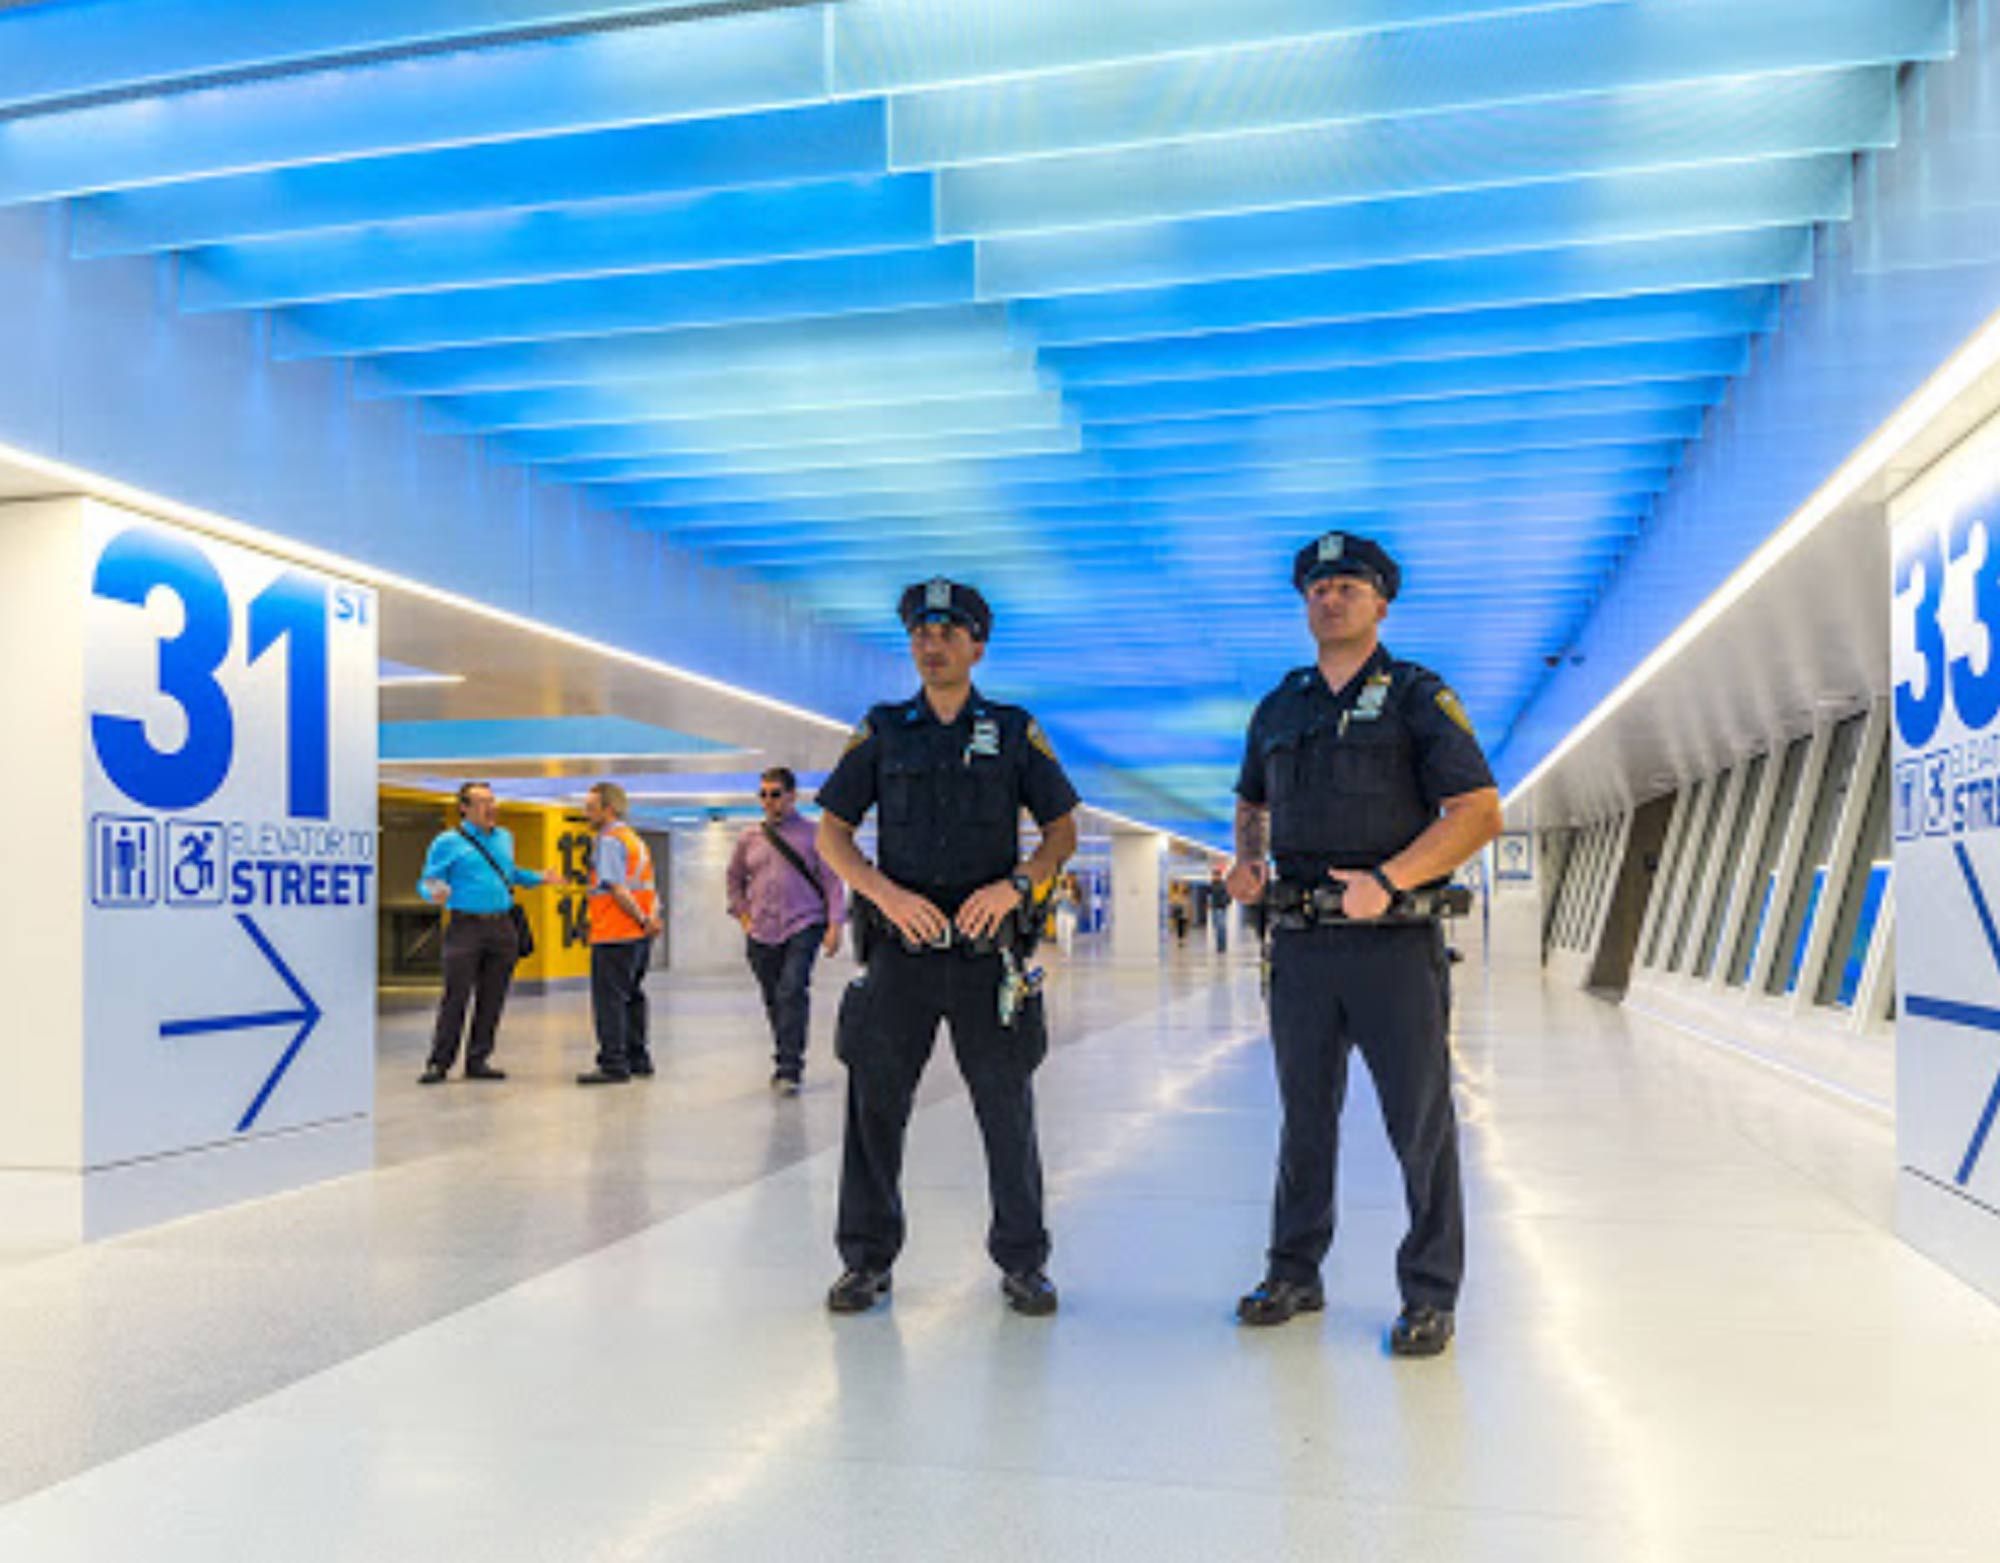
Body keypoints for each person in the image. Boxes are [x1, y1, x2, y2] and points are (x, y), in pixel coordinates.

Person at [1227, 531, 1502, 1356]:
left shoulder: (1418, 695)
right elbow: (1251, 799)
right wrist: (1247, 862)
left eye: (1349, 585)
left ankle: (1429, 1293)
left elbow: (1479, 811)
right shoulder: (1280, 705)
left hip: (1393, 946)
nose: (1330, 596)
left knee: (1418, 1123)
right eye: (1317, 586)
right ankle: (1293, 1271)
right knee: (1303, 1119)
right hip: (1302, 945)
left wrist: (1387, 878)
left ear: (1382, 602)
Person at [815, 577, 1079, 1318]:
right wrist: (882, 893)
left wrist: (1018, 886)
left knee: (1006, 1108)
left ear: (977, 645)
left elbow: (1062, 829)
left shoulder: (1013, 727)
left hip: (983, 952)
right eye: (920, 633)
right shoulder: (883, 728)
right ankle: (865, 1262)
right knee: (874, 1109)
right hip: (900, 949)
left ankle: (1024, 1261)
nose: (931, 644)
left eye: (947, 632)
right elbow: (832, 829)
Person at [417, 781, 554, 1085]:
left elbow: (511, 873)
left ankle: (478, 1059)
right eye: (481, 802)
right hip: (465, 926)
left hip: (503, 925)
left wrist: (539, 878)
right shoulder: (448, 842)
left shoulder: (505, 838)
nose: (491, 807)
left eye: (492, 801)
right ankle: (439, 1062)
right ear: (464, 808)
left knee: (493, 997)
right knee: (457, 996)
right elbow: (429, 879)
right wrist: (435, 894)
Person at [726, 766, 846, 1095]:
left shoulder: (813, 835)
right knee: (774, 997)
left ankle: (789, 1067)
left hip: (803, 923)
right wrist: (743, 916)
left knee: (792, 990)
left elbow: (832, 881)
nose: (768, 801)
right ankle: (785, 1051)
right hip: (761, 929)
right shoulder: (748, 838)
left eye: (775, 794)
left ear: (792, 796)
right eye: (763, 794)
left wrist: (835, 924)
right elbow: (734, 877)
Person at [574, 782, 663, 1085]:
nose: (586, 813)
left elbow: (617, 889)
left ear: (608, 809)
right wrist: (651, 920)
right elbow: (649, 886)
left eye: (591, 807)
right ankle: (638, 1057)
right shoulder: (634, 840)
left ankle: (613, 1062)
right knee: (633, 996)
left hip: (614, 933)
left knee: (609, 1000)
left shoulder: (610, 841)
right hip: (639, 937)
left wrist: (639, 917)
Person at [1052, 872, 1080, 957]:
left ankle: (1068, 952)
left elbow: (1077, 903)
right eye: (1068, 879)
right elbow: (1053, 901)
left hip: (1070, 914)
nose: (1069, 881)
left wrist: (1070, 897)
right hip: (1061, 912)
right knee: (1060, 933)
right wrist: (1059, 897)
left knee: (1068, 933)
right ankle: (1061, 951)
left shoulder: (1077, 890)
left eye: (1071, 879)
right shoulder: (1059, 889)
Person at [1208, 863, 1232, 954]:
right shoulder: (1212, 885)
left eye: (1215, 875)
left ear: (1219, 876)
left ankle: (1222, 947)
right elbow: (1209, 896)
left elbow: (1229, 896)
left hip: (1221, 908)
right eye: (1213, 875)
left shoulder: (1224, 885)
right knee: (1215, 926)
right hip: (1214, 908)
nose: (1214, 877)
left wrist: (1225, 903)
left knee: (1221, 927)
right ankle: (1219, 945)